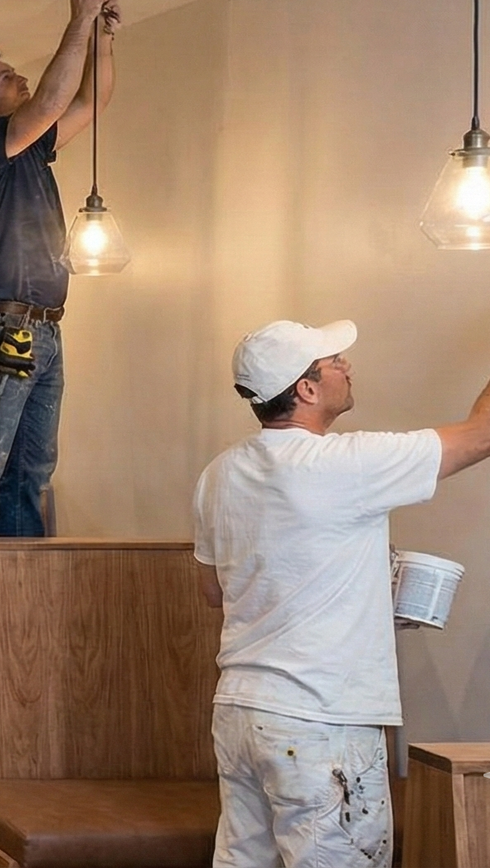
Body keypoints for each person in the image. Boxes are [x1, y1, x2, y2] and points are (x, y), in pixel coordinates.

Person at [194, 320, 490, 867]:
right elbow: (482, 435)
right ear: (306, 389)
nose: (346, 365)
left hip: (241, 711)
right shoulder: (343, 464)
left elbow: (214, 589)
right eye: (334, 361)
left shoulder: (219, 474)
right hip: (320, 718)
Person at [0, 0, 120, 537]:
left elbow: (90, 101)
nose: (20, 80)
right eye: (5, 78)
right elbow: (54, 99)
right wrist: (78, 20)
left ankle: (20, 580)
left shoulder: (29, 148)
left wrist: (102, 37)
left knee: (31, 472)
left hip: (42, 328)